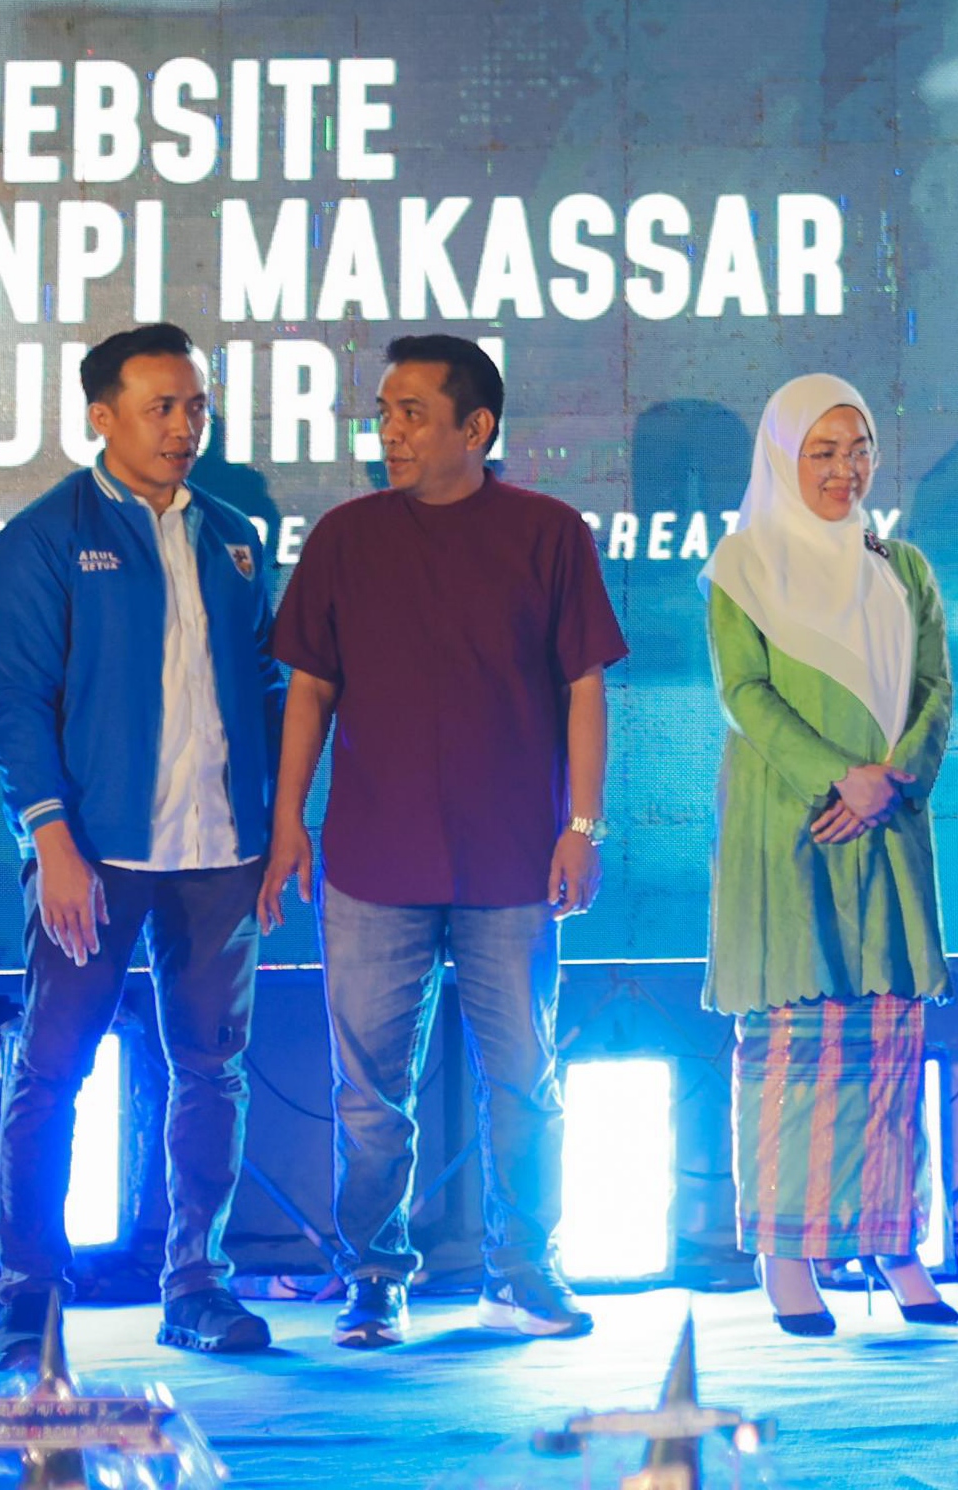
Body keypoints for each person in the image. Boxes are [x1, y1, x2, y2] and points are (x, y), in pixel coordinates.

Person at [257, 334, 628, 1349]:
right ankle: (374, 1275)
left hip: (514, 861)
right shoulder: (345, 536)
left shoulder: (548, 532)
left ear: (477, 427)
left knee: (525, 1083)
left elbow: (584, 687)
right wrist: (288, 821)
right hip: (373, 862)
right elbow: (309, 690)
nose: (390, 431)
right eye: (383, 412)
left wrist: (582, 825)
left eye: (412, 413)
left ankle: (523, 1272)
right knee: (370, 1095)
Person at [0, 325, 284, 1363]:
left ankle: (196, 1287)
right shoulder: (43, 537)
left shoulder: (233, 536)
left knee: (214, 1070)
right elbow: (14, 701)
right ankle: (28, 1298)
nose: (183, 426)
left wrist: (276, 826)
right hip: (94, 855)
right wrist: (52, 841)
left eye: (195, 406)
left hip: (221, 852)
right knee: (51, 1073)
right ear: (101, 417)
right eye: (161, 406)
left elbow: (267, 685)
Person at [702, 375, 957, 1336]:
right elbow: (745, 694)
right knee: (792, 1050)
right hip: (792, 827)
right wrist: (837, 778)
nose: (845, 470)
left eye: (859, 450)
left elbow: (935, 691)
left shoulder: (904, 568)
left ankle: (894, 1244)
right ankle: (786, 1255)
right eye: (822, 451)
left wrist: (891, 778)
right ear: (782, 457)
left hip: (887, 823)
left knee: (887, 1047)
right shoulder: (743, 565)